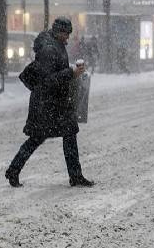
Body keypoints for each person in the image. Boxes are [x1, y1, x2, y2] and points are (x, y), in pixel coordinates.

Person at [6, 17, 93, 188]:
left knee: (66, 134)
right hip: (47, 104)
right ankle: (14, 170)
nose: (67, 38)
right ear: (57, 31)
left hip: (54, 103)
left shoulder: (56, 45)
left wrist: (70, 71)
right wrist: (71, 72)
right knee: (37, 138)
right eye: (65, 34)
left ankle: (75, 175)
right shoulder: (49, 49)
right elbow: (47, 81)